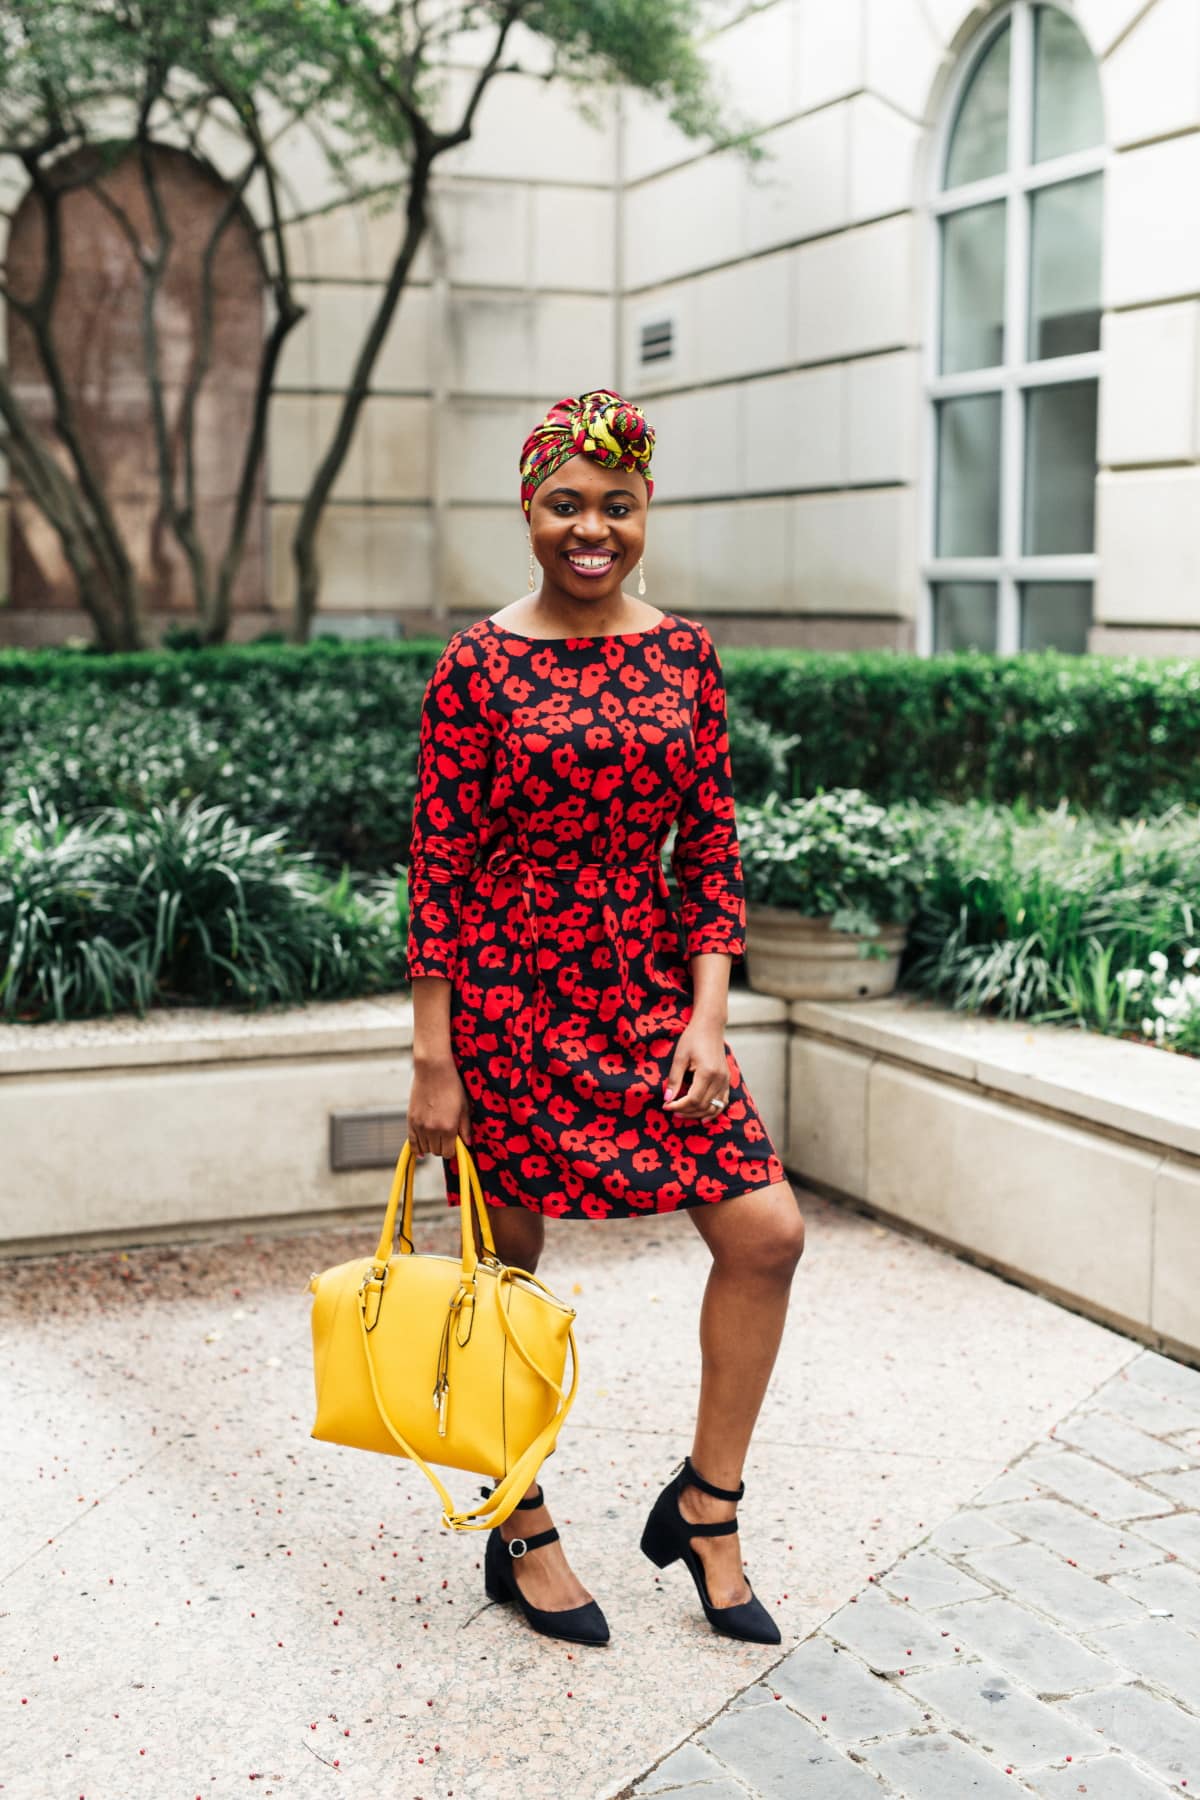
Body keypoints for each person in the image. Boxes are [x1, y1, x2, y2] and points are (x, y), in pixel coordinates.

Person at [404, 388, 806, 1649]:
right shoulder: (478, 663)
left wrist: (708, 1013)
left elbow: (715, 848)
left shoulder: (685, 653)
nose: (593, 529)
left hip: (649, 996)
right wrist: (432, 1055)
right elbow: (440, 867)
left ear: (646, 512)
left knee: (768, 1232)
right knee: (504, 1271)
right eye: (565, 504)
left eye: (615, 506)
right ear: (527, 510)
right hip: (510, 998)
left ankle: (707, 1506)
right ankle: (516, 1521)